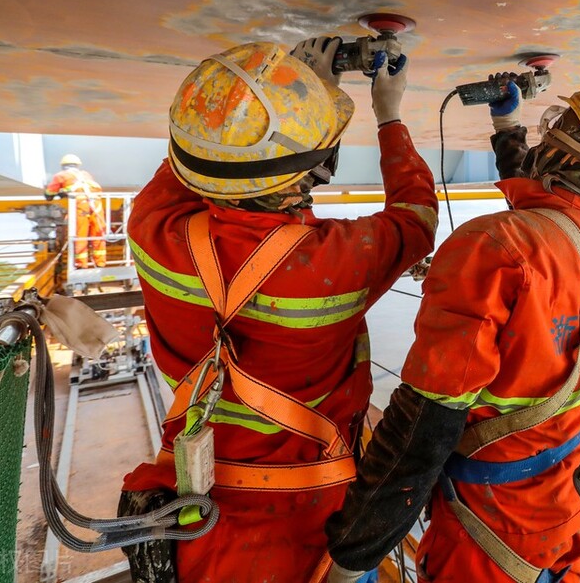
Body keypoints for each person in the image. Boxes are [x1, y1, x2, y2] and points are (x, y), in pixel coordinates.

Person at [324, 69, 580, 583]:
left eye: (557, 126)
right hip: (555, 514)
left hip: (487, 535)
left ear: (569, 144)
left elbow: (425, 423)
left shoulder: (489, 247)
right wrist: (508, 128)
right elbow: (547, 220)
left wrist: (353, 555)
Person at [119, 38, 437, 583]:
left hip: (199, 521)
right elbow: (417, 218)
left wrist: (302, 101)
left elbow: (198, 158)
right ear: (321, 166)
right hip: (310, 527)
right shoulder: (337, 261)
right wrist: (389, 114)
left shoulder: (153, 230)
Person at [45, 153, 107, 268]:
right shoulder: (85, 175)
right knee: (98, 233)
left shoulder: (61, 175)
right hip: (96, 204)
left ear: (63, 166)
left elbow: (49, 193)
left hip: (80, 206)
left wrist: (58, 193)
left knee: (80, 235)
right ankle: (100, 262)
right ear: (78, 165)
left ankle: (81, 264)